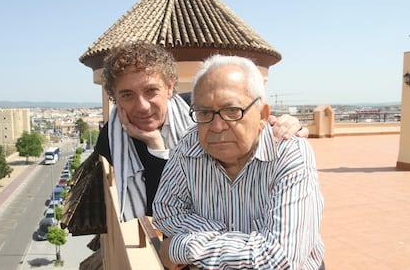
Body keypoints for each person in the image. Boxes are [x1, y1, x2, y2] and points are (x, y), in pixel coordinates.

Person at [95, 41, 308, 222]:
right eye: (127, 95)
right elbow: (160, 211)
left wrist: (286, 124)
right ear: (115, 97)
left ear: (169, 87)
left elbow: (253, 120)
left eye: (151, 90)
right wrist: (155, 147)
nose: (142, 106)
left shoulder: (199, 109)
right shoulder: (112, 141)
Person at [152, 54, 324, 269]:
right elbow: (165, 210)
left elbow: (280, 261)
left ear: (262, 115)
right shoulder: (190, 143)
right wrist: (242, 241)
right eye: (204, 112)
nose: (216, 126)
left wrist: (184, 246)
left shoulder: (289, 152)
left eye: (232, 111)